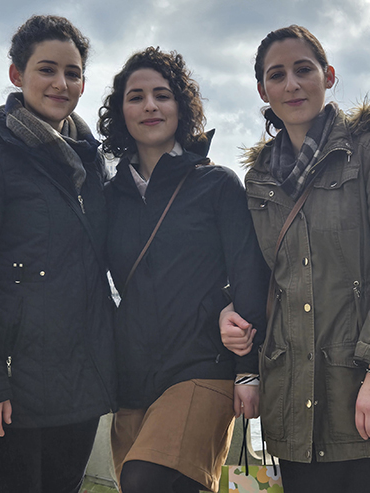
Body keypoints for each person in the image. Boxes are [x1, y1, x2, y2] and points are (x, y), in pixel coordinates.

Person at [220, 25, 370, 493]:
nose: (291, 84)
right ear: (262, 90)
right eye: (277, 75)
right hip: (291, 402)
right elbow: (259, 281)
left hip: (365, 395)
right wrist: (240, 348)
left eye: (303, 69)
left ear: (328, 76)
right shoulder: (260, 181)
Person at [0, 15, 115, 493]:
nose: (61, 83)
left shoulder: (91, 165)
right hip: (8, 390)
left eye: (73, 73)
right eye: (47, 69)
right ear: (17, 75)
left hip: (76, 386)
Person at [97, 47, 268, 493]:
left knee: (146, 478)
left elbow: (249, 274)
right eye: (136, 97)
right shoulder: (108, 198)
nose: (150, 106)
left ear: (182, 108)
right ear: (121, 112)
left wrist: (248, 370)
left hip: (203, 363)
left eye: (162, 95)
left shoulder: (215, 184)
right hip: (132, 374)